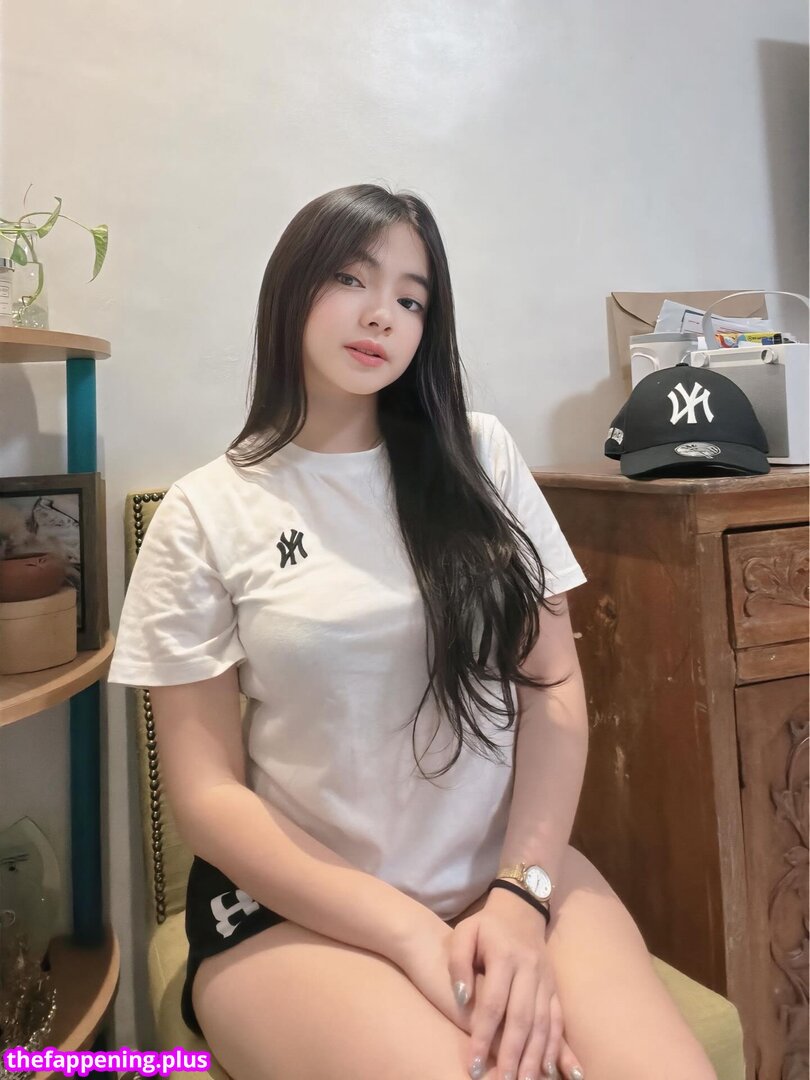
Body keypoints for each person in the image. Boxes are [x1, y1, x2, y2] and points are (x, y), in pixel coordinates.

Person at [107, 183, 718, 1080]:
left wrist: (519, 896)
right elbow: (206, 796)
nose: (381, 315)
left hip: (500, 875)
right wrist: (407, 933)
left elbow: (552, 683)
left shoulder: (482, 460)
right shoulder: (207, 511)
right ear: (291, 288)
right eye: (352, 279)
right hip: (295, 911)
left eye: (411, 299)